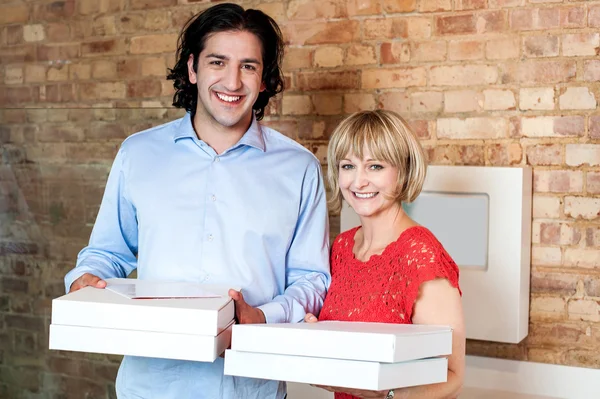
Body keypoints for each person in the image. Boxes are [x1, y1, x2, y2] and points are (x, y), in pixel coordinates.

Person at [64, 3, 330, 399]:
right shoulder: (138, 154)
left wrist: (264, 316)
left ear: (264, 79)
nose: (232, 81)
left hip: (249, 388)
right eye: (218, 62)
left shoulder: (299, 168)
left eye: (249, 66)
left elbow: (312, 279)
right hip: (148, 386)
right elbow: (106, 252)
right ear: (193, 69)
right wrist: (84, 279)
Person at [305, 110, 465, 399]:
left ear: (402, 171)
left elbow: (452, 377)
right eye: (348, 166)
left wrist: (384, 394)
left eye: (375, 166)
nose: (358, 181)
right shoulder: (341, 248)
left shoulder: (420, 253)